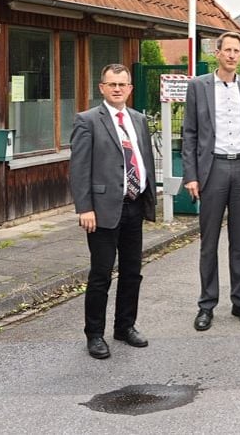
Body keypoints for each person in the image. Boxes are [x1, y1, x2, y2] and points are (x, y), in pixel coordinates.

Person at [70, 63, 158, 360]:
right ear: (102, 88)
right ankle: (94, 334)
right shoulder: (87, 121)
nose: (117, 89)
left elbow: (143, 159)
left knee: (133, 272)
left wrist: (149, 196)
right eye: (112, 84)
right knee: (101, 274)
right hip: (103, 210)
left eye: (122, 84)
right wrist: (85, 208)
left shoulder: (139, 120)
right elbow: (79, 169)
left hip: (134, 205)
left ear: (130, 89)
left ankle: (125, 326)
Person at [182, 31, 240, 332]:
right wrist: (191, 175)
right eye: (227, 50)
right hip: (213, 169)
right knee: (209, 241)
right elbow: (189, 134)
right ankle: (207, 305)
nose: (232, 55)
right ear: (217, 53)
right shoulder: (199, 87)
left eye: (236, 50)